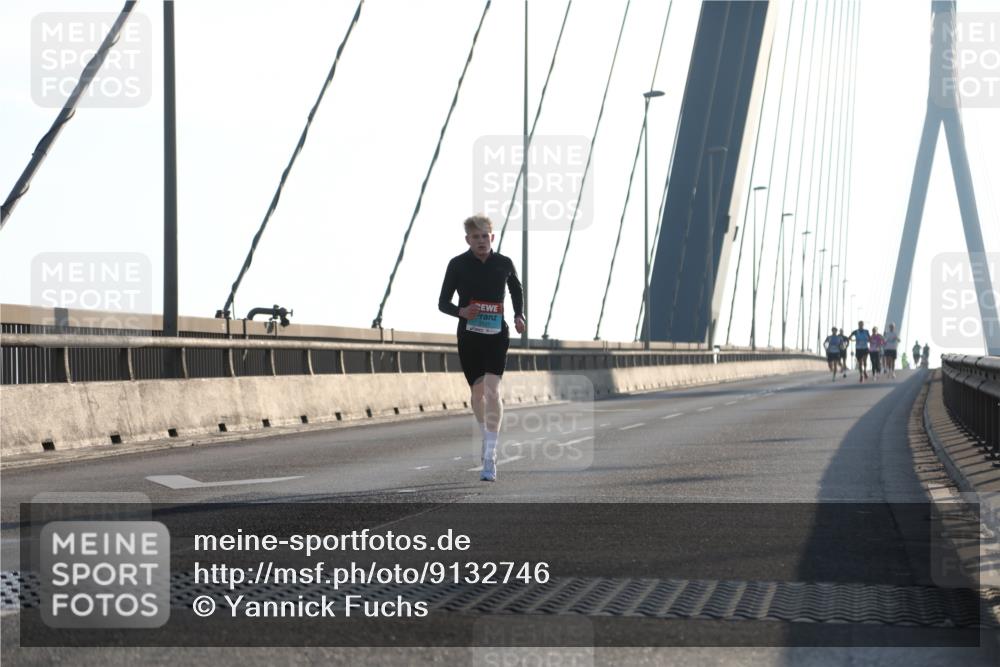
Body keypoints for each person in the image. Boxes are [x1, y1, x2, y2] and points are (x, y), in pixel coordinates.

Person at [439, 215, 525, 482]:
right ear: (468, 240)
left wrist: (519, 315)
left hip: (497, 335)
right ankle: (485, 434)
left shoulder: (504, 263)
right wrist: (462, 311)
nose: (480, 241)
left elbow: (516, 290)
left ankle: (490, 451)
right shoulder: (457, 265)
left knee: (492, 388)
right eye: (475, 237)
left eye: (484, 236)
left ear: (492, 237)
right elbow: (443, 302)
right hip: (470, 336)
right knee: (477, 393)